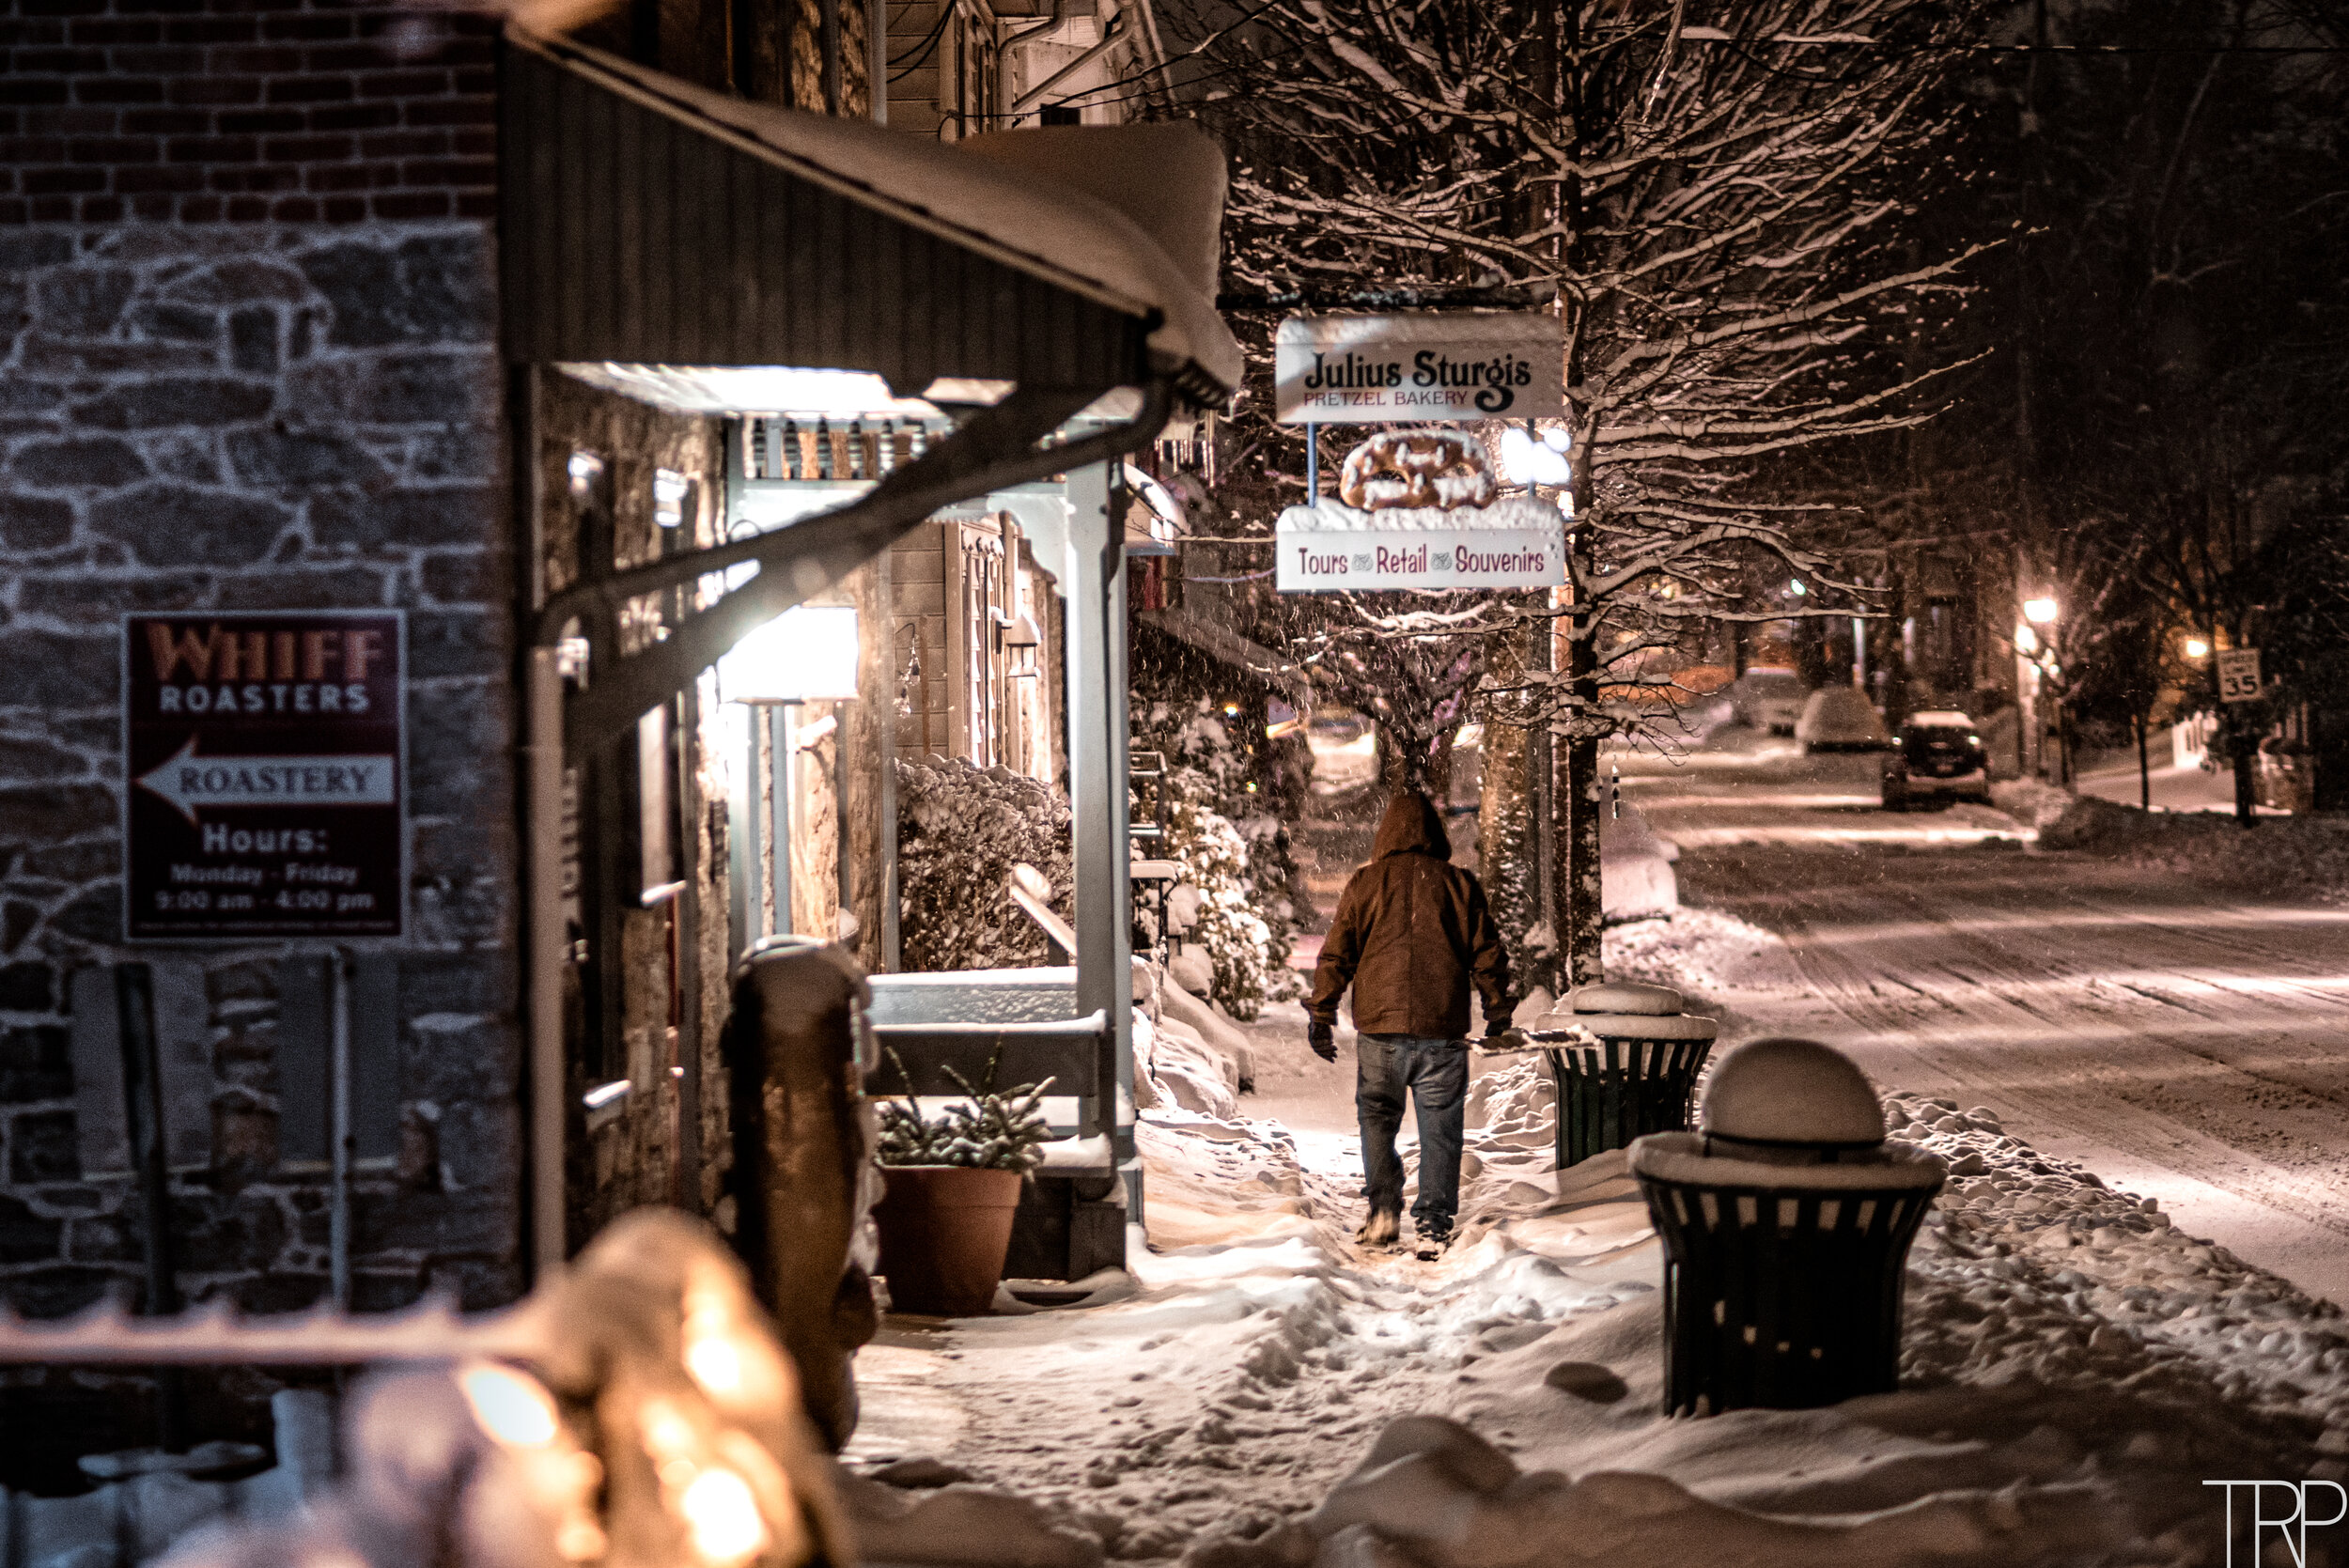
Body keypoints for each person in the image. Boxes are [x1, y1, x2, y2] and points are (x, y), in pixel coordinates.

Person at [1308, 786, 1514, 1250]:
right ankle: (1434, 1224)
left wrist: (1322, 1012)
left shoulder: (1366, 882)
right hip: (1441, 1027)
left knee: (1377, 1117)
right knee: (1441, 1127)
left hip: (1380, 1028)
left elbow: (1337, 953)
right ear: (1435, 834)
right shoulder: (1460, 884)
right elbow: (1488, 955)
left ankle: (1383, 1208)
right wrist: (1497, 1011)